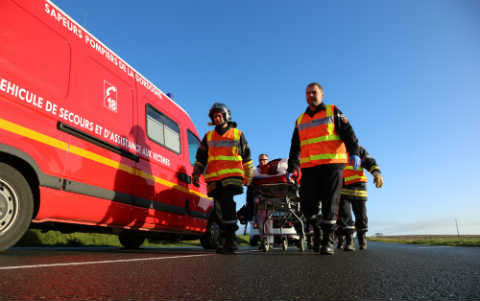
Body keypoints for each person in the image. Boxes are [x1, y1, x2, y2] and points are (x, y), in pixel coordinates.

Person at [287, 82, 361, 255]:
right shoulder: (300, 119)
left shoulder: (332, 111)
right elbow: (294, 146)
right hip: (309, 167)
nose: (310, 96)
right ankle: (317, 227)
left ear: (322, 94)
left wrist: (354, 152)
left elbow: (349, 133)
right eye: (307, 93)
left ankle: (327, 241)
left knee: (330, 202)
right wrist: (292, 166)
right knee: (306, 205)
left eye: (314, 92)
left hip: (332, 164)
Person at [192, 102, 253, 254]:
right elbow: (200, 158)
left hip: (232, 176)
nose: (217, 118)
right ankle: (224, 238)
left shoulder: (237, 134)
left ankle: (230, 240)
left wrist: (249, 174)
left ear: (226, 116)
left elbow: (246, 156)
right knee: (218, 209)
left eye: (219, 115)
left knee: (227, 204)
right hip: (214, 178)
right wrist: (196, 173)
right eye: (214, 116)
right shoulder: (208, 137)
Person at [337, 145, 384, 251]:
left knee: (361, 216)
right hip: (342, 187)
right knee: (344, 215)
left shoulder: (358, 149)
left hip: (358, 186)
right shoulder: (334, 147)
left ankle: (362, 237)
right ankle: (349, 241)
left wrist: (376, 173)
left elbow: (369, 161)